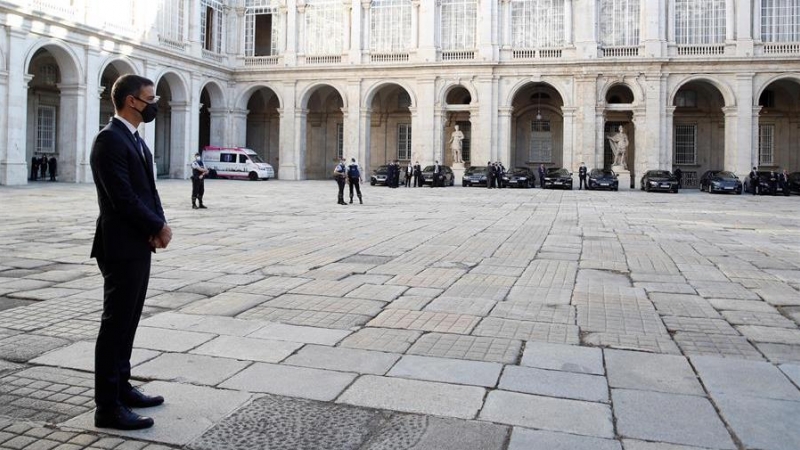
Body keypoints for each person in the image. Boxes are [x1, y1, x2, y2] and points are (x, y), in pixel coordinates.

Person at [90, 74, 171, 431]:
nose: (155, 104)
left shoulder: (136, 140)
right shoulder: (108, 141)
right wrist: (156, 226)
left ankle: (122, 387)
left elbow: (149, 192)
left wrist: (159, 224)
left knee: (129, 322)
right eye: (149, 99)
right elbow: (121, 197)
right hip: (120, 245)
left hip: (138, 243)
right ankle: (107, 406)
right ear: (130, 101)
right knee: (115, 325)